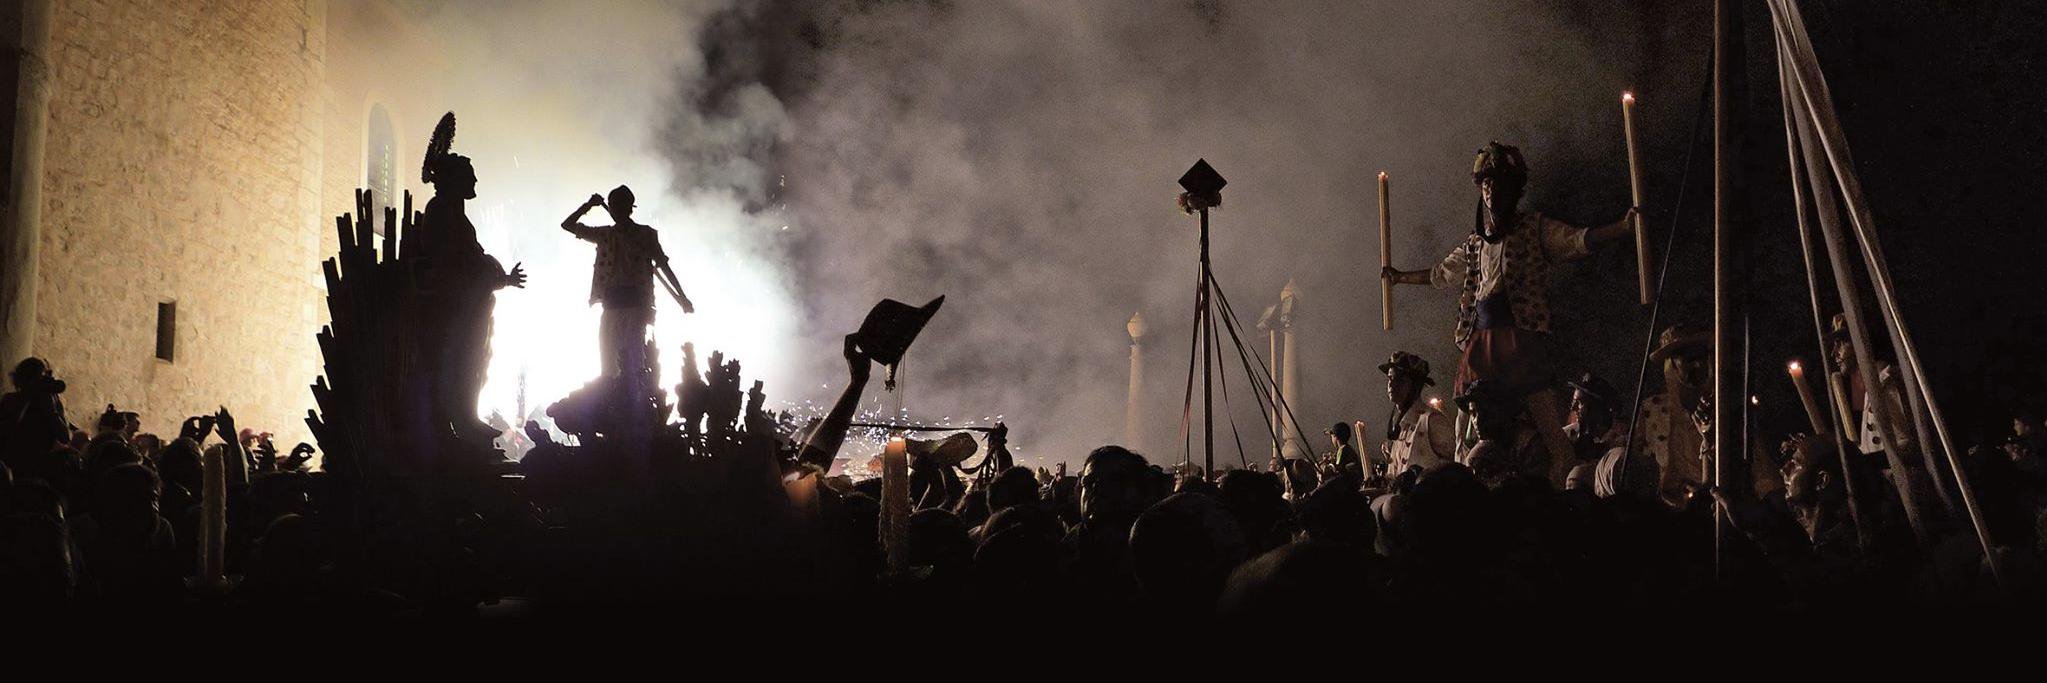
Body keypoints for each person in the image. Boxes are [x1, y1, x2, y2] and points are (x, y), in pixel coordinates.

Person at [1383, 142, 1637, 486]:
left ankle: (1557, 493)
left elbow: (1576, 241)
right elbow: (1440, 274)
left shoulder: (1534, 229)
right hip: (1482, 343)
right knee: (1465, 430)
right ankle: (1466, 490)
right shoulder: (1476, 244)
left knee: (1548, 427)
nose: (1492, 192)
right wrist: (1399, 278)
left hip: (1520, 340)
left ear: (1514, 190)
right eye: (1486, 184)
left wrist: (1621, 228)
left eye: (1499, 184)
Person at [417, 112, 527, 444]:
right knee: (458, 365)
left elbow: (474, 261)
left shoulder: (457, 217)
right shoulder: (440, 213)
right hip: (454, 311)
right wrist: (491, 276)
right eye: (469, 176)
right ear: (453, 181)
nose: (475, 182)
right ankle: (456, 422)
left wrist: (502, 278)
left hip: (471, 308)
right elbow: (454, 262)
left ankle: (466, 417)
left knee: (473, 364)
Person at [562, 185, 694, 381]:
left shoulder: (646, 235)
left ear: (629, 208)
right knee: (608, 364)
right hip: (611, 305)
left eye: (620, 206)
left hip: (636, 307)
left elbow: (665, 267)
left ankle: (632, 402)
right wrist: (588, 205)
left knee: (632, 363)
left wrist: (682, 296)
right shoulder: (605, 235)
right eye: (613, 206)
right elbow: (568, 225)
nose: (615, 210)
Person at [1631, 324, 1710, 507]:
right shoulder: (1653, 410)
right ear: (1673, 364)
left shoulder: (1720, 405)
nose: (1698, 365)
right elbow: (1642, 464)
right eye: (1688, 359)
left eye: (1701, 357)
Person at [1378, 351, 1456, 478]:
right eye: (1390, 378)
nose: (1391, 384)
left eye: (1399, 379)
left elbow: (1454, 468)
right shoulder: (1400, 427)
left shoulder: (1432, 421)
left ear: (1414, 385)